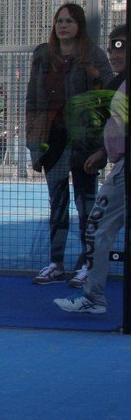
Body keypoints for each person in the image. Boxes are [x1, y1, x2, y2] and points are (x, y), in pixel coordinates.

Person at [26, 2, 112, 285]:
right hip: (53, 141)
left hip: (84, 141)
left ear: (80, 25)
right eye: (60, 21)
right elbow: (32, 97)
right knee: (58, 203)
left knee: (86, 203)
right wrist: (33, 138)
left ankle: (88, 263)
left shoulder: (94, 56)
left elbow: (109, 95)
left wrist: (102, 143)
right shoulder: (43, 55)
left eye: (70, 21)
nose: (63, 26)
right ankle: (56, 263)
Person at [55, 24, 127, 313]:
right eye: (111, 48)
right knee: (98, 228)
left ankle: (94, 298)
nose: (113, 54)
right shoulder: (119, 83)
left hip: (124, 171)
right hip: (120, 164)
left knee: (97, 227)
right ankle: (94, 298)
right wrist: (104, 151)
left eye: (120, 47)